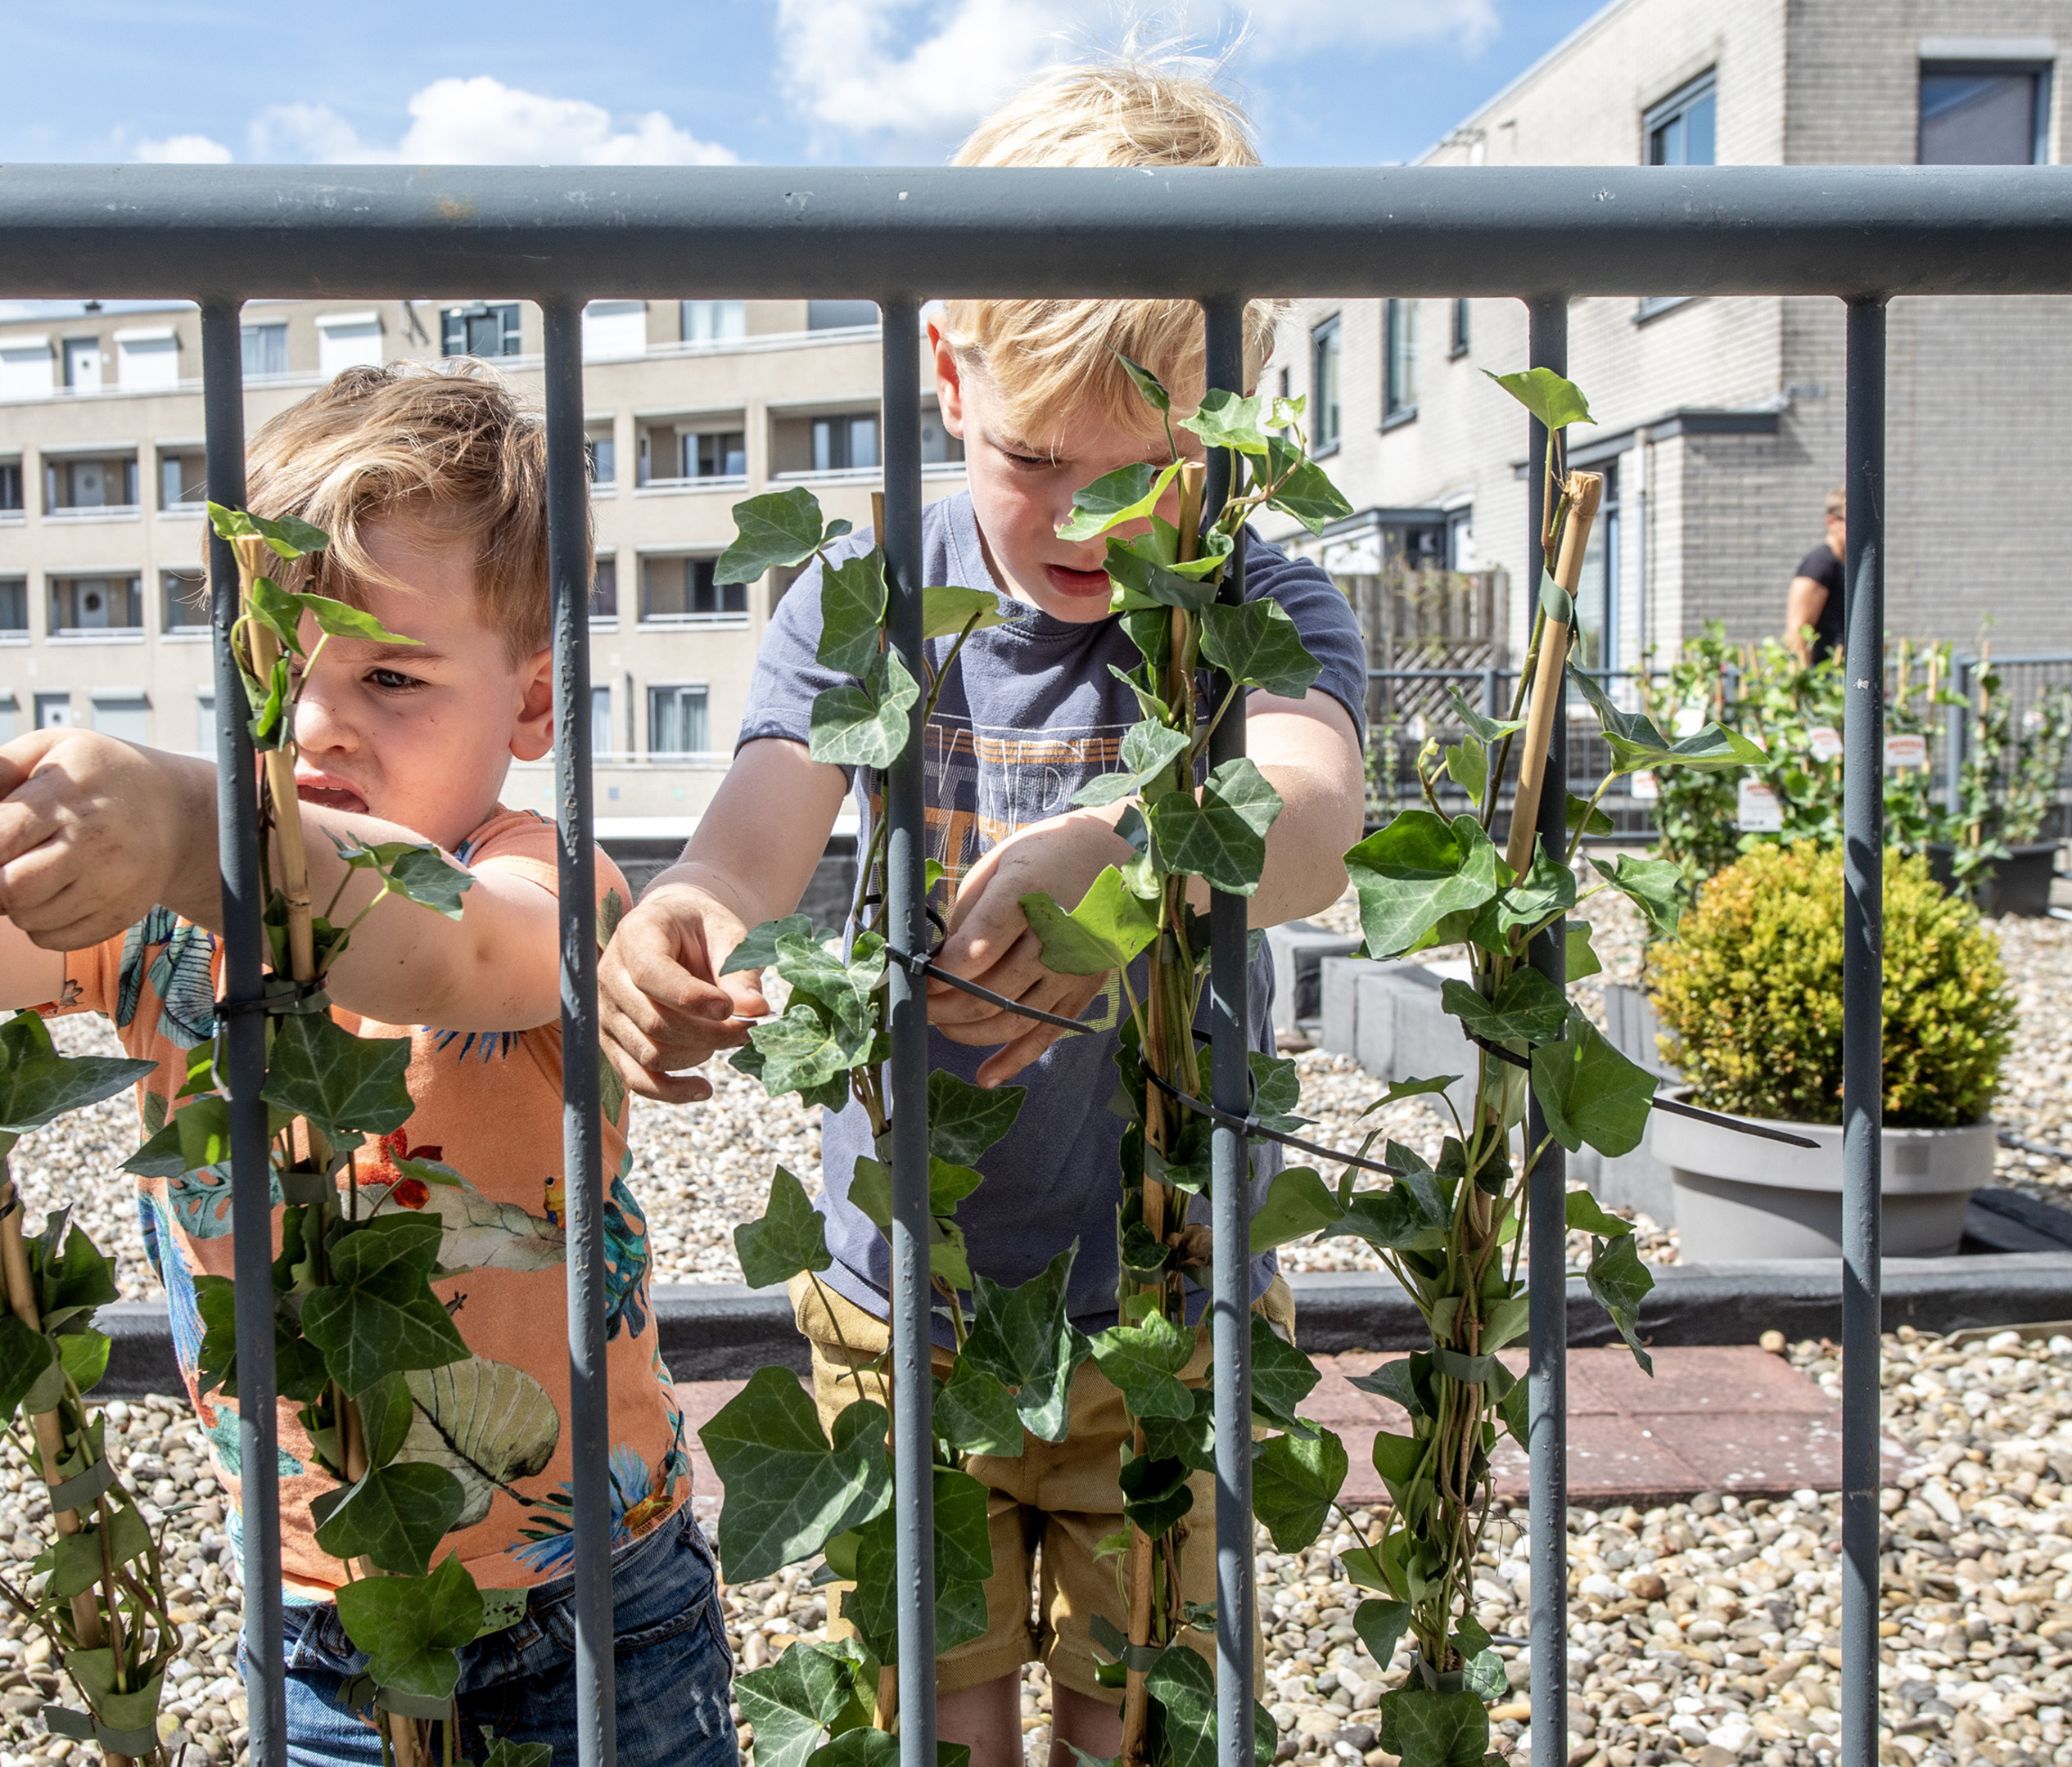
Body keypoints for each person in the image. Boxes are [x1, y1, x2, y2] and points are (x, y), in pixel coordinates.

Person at [0, 367, 729, 1767]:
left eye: (392, 675)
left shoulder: (537, 876)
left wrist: (199, 829)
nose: (323, 723)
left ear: (533, 703)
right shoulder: (160, 907)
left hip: (596, 1595)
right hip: (318, 1604)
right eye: (280, 669)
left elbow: (454, 959)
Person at [594, 55, 1369, 1767]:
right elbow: (751, 839)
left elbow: (1313, 820)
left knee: (1128, 1718)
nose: (1093, 517)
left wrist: (1126, 840)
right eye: (1036, 458)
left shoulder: (1262, 598)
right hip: (901, 1302)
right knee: (937, 1714)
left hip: (1165, 1300)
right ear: (948, 369)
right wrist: (684, 924)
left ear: (1236, 413)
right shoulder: (863, 590)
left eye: (1145, 465)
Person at [1781, 487, 1847, 663]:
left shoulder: (1844, 564)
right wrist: (1806, 682)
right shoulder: (1821, 564)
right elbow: (1798, 628)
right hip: (1823, 673)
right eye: (1852, 522)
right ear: (1831, 521)